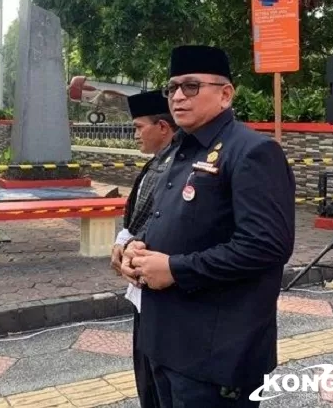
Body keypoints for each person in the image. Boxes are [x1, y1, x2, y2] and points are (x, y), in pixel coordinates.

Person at [120, 45, 296, 407]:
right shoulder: (180, 151)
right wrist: (135, 250)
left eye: (191, 87)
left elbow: (266, 246)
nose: (178, 97)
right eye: (172, 88)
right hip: (163, 341)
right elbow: (175, 224)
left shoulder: (251, 152)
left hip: (215, 353)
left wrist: (175, 268)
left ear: (226, 94)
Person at [109, 90, 179, 408]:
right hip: (143, 282)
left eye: (139, 127)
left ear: (163, 127)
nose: (135, 134)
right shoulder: (157, 163)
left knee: (158, 380)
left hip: (164, 287)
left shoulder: (178, 166)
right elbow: (137, 217)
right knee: (147, 375)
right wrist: (122, 242)